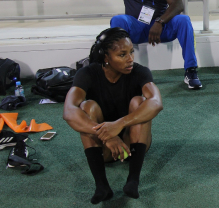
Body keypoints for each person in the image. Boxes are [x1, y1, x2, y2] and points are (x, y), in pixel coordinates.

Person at [53, 0, 202, 90]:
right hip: (136, 27)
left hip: (160, 29)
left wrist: (160, 22)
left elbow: (178, 5)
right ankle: (119, 70)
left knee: (184, 20)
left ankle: (191, 71)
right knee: (118, 20)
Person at [63, 27, 163, 203]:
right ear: (106, 57)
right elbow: (69, 111)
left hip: (132, 144)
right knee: (87, 106)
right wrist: (106, 135)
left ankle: (133, 181)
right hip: (105, 147)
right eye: (122, 55)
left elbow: (156, 103)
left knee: (139, 102)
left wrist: (120, 124)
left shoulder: (140, 72)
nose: (130, 59)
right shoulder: (87, 73)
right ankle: (101, 186)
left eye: (131, 52)